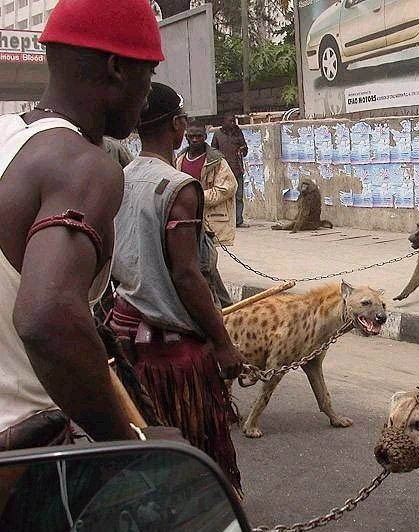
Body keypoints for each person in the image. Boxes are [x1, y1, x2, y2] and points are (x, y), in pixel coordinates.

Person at [0, 0, 166, 451]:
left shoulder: (7, 138)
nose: (148, 94)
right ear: (115, 68)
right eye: (147, 74)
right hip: (24, 454)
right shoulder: (83, 166)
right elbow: (46, 316)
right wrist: (126, 442)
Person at [108, 83, 244, 493]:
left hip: (125, 337)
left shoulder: (120, 177)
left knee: (145, 459)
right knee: (195, 461)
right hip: (171, 354)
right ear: (178, 125)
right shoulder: (179, 187)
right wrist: (223, 343)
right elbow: (187, 274)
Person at [177, 122, 238, 245]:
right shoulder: (179, 160)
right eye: (191, 136)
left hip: (209, 222)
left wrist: (195, 197)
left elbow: (226, 189)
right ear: (186, 137)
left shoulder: (217, 162)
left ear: (205, 137)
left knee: (208, 259)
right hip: (185, 220)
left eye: (198, 136)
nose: (195, 140)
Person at [212, 113, 249, 228]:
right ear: (224, 122)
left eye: (233, 121)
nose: (232, 123)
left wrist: (242, 150)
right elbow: (213, 151)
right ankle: (225, 220)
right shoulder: (218, 134)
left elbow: (245, 149)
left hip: (237, 169)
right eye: (230, 121)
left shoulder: (237, 133)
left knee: (238, 196)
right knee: (224, 196)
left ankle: (238, 220)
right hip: (223, 171)